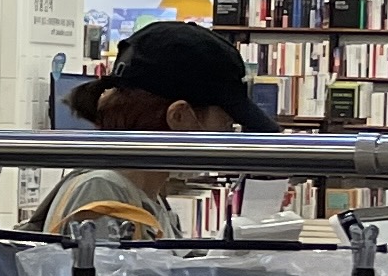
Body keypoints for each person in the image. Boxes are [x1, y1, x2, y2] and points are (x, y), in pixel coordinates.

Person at [38, 18, 255, 239]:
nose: (228, 134)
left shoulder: (147, 193)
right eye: (226, 123)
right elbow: (106, 262)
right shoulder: (102, 193)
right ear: (178, 116)